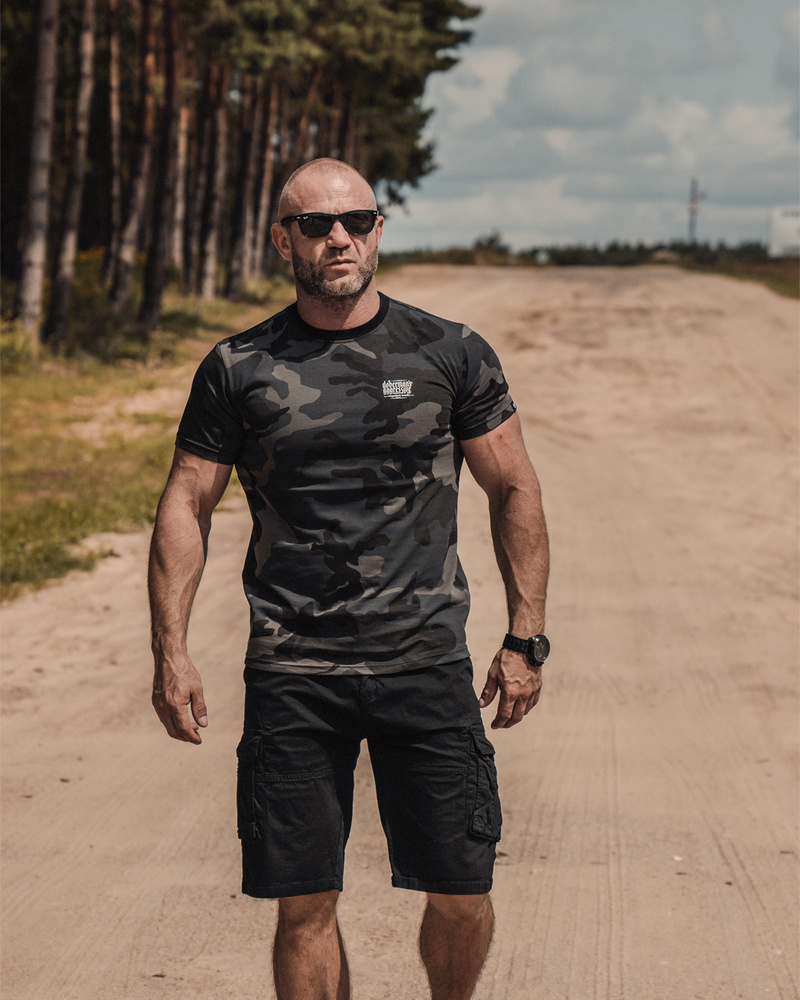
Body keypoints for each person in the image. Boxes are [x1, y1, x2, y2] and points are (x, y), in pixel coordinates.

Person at [149, 157, 549, 1000]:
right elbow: (187, 500)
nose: (339, 238)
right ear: (282, 240)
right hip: (295, 671)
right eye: (317, 224)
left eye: (357, 221)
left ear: (378, 231)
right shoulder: (239, 365)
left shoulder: (448, 351)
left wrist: (526, 637)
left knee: (462, 890)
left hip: (425, 662)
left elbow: (513, 486)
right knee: (303, 905)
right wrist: (171, 650)